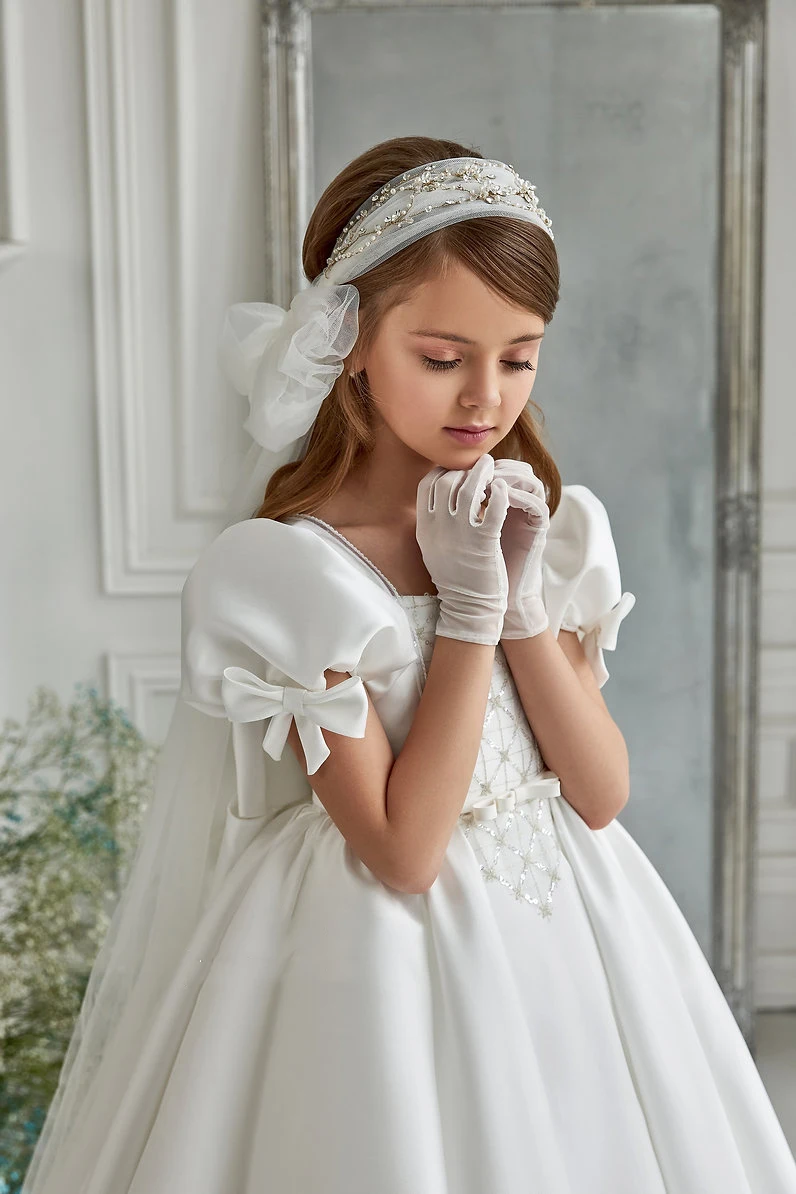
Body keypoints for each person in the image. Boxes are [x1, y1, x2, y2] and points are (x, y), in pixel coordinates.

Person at [21, 136, 796, 1194]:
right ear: (349, 344)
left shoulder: (553, 526)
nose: (484, 396)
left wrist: (517, 597)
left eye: (518, 357)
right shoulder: (287, 573)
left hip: (573, 935)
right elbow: (402, 849)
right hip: (371, 963)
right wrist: (465, 613)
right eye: (441, 357)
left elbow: (601, 793)